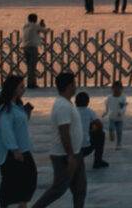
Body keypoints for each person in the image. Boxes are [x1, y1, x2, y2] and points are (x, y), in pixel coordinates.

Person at [30, 71, 84, 208]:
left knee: (80, 188)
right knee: (58, 189)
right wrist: (70, 156)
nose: (76, 86)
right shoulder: (62, 106)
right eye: (74, 84)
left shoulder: (67, 103)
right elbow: (64, 132)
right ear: (69, 86)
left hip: (75, 153)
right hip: (64, 155)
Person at [0, 73, 37, 208]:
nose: (24, 89)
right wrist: (14, 149)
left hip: (23, 148)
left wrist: (26, 113)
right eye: (21, 87)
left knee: (28, 179)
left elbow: (19, 125)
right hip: (12, 152)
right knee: (10, 181)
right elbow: (6, 130)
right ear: (13, 89)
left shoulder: (16, 106)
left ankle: (22, 205)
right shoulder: (5, 109)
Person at [71, 94, 103, 171]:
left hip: (71, 148)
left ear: (75, 102)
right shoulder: (89, 111)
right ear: (88, 102)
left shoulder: (71, 111)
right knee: (101, 134)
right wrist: (91, 130)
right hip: (86, 148)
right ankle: (98, 161)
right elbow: (100, 125)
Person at [102, 83, 126, 153]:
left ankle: (119, 144)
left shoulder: (123, 97)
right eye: (115, 89)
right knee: (111, 128)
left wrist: (121, 112)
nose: (117, 91)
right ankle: (111, 135)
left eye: (119, 89)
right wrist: (106, 112)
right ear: (112, 89)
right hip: (111, 117)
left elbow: (123, 107)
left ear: (122, 89)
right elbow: (107, 105)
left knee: (119, 131)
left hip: (120, 118)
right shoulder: (109, 97)